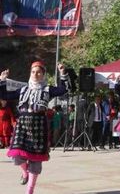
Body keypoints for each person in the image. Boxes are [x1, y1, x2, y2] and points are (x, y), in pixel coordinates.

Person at [0, 62, 71, 194]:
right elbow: (4, 96)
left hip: (39, 126)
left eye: (38, 72)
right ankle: (25, 172)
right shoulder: (23, 89)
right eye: (33, 72)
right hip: (22, 125)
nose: (35, 75)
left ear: (43, 74)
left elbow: (64, 90)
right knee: (16, 155)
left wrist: (62, 73)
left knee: (36, 160)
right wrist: (2, 80)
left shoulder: (47, 89)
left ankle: (30, 190)